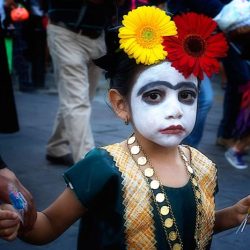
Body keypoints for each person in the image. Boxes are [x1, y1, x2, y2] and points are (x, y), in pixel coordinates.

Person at [0, 7, 250, 249]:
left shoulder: (203, 167)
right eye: (154, 96)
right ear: (121, 104)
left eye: (186, 95)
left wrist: (232, 215)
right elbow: (49, 225)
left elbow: (193, 226)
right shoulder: (103, 167)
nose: (175, 109)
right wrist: (20, 221)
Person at [43, 0, 117, 166]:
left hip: (98, 36)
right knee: (77, 101)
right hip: (65, 33)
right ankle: (88, 165)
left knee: (79, 99)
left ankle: (56, 146)